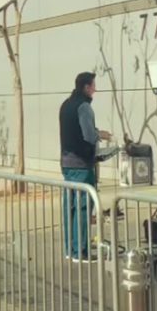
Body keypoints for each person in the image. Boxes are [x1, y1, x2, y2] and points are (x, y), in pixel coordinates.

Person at [58, 72, 110, 262]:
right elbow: (88, 135)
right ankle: (80, 250)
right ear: (87, 87)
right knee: (83, 208)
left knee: (70, 207)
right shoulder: (84, 107)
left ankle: (70, 249)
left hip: (66, 162)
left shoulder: (65, 105)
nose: (95, 89)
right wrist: (100, 134)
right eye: (93, 86)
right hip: (81, 163)